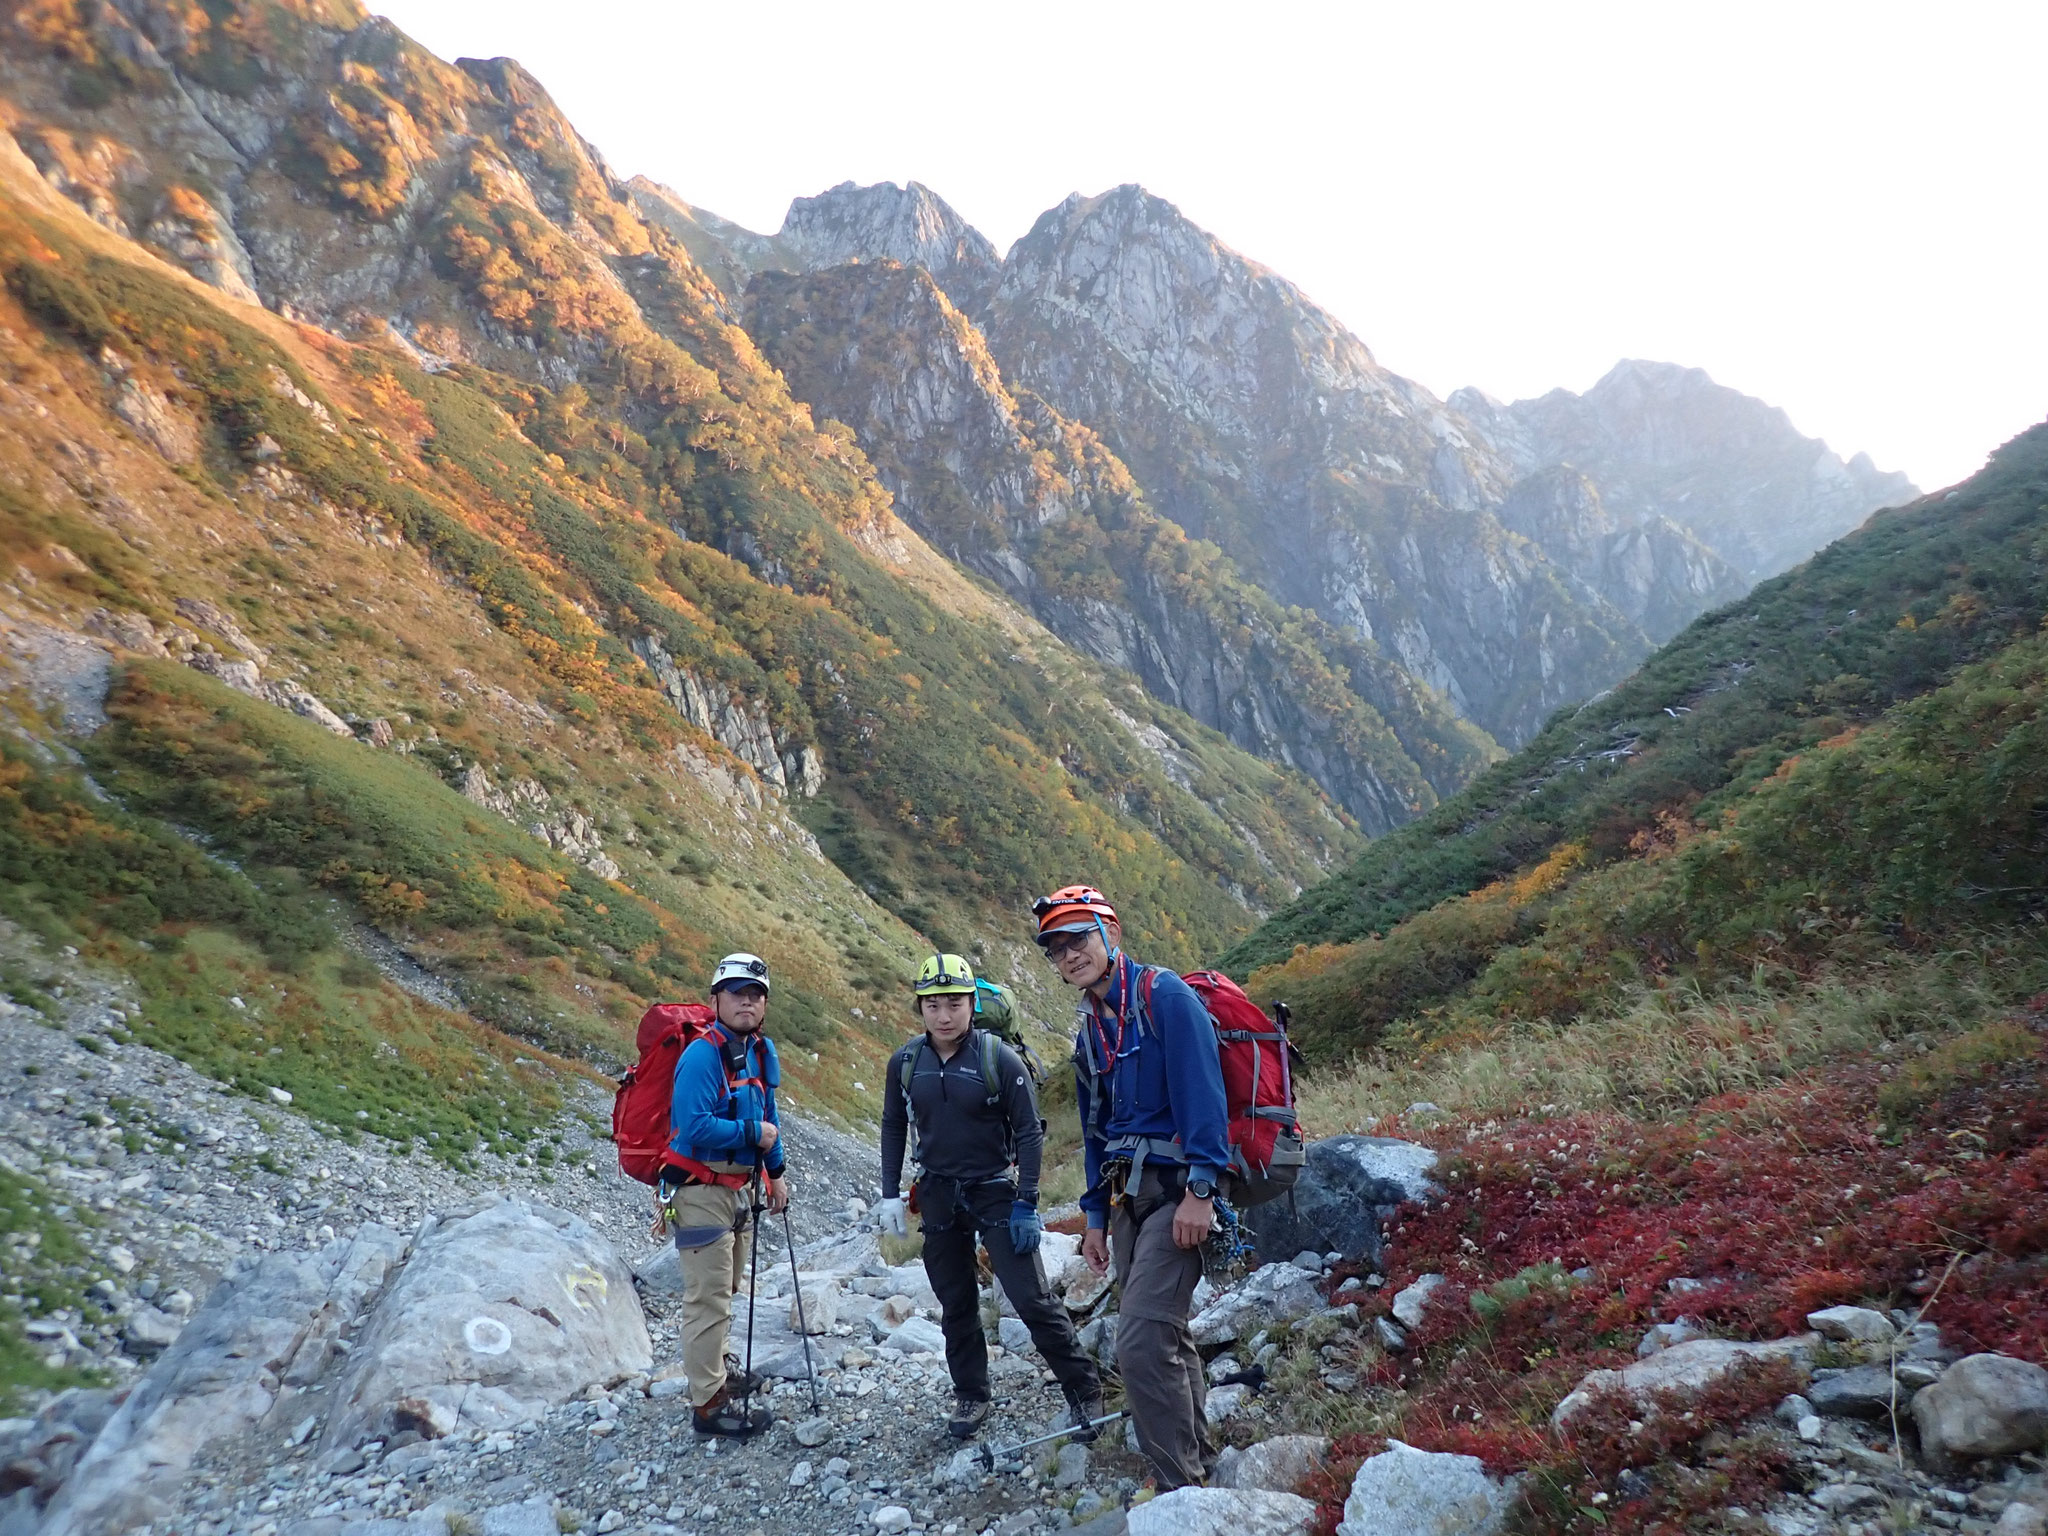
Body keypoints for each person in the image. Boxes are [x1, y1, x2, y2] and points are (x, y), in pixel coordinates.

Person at [1039, 885, 1229, 1491]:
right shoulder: (1091, 1030)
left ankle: (1178, 1488)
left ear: (1111, 933)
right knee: (1165, 1333)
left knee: (1141, 1341)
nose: (1071, 954)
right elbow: (1096, 1132)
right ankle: (1197, 1454)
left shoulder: (1165, 997)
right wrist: (1093, 1215)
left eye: (1080, 939)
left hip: (1176, 1190)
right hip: (1127, 1199)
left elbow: (1205, 1099)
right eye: (1057, 948)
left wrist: (1202, 1190)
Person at [877, 953, 1104, 1441]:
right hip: (937, 1192)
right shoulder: (906, 1061)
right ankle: (971, 1394)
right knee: (955, 1300)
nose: (943, 1015)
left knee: (1031, 1298)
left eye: (954, 1003)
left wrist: (1027, 1202)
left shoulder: (997, 1057)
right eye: (933, 1004)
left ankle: (1085, 1390)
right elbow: (895, 1124)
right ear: (920, 1007)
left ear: (971, 1003)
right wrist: (889, 1193)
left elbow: (1029, 1131)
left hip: (996, 1191)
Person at [658, 951, 788, 1438]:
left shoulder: (757, 1050)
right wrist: (754, 1134)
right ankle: (708, 1406)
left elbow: (769, 1115)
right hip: (700, 1189)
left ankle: (714, 1374)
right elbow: (693, 1126)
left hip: (738, 1187)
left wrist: (774, 1173)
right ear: (716, 999)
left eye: (756, 995)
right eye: (737, 993)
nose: (747, 1003)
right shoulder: (701, 1055)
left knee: (726, 1290)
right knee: (707, 1300)